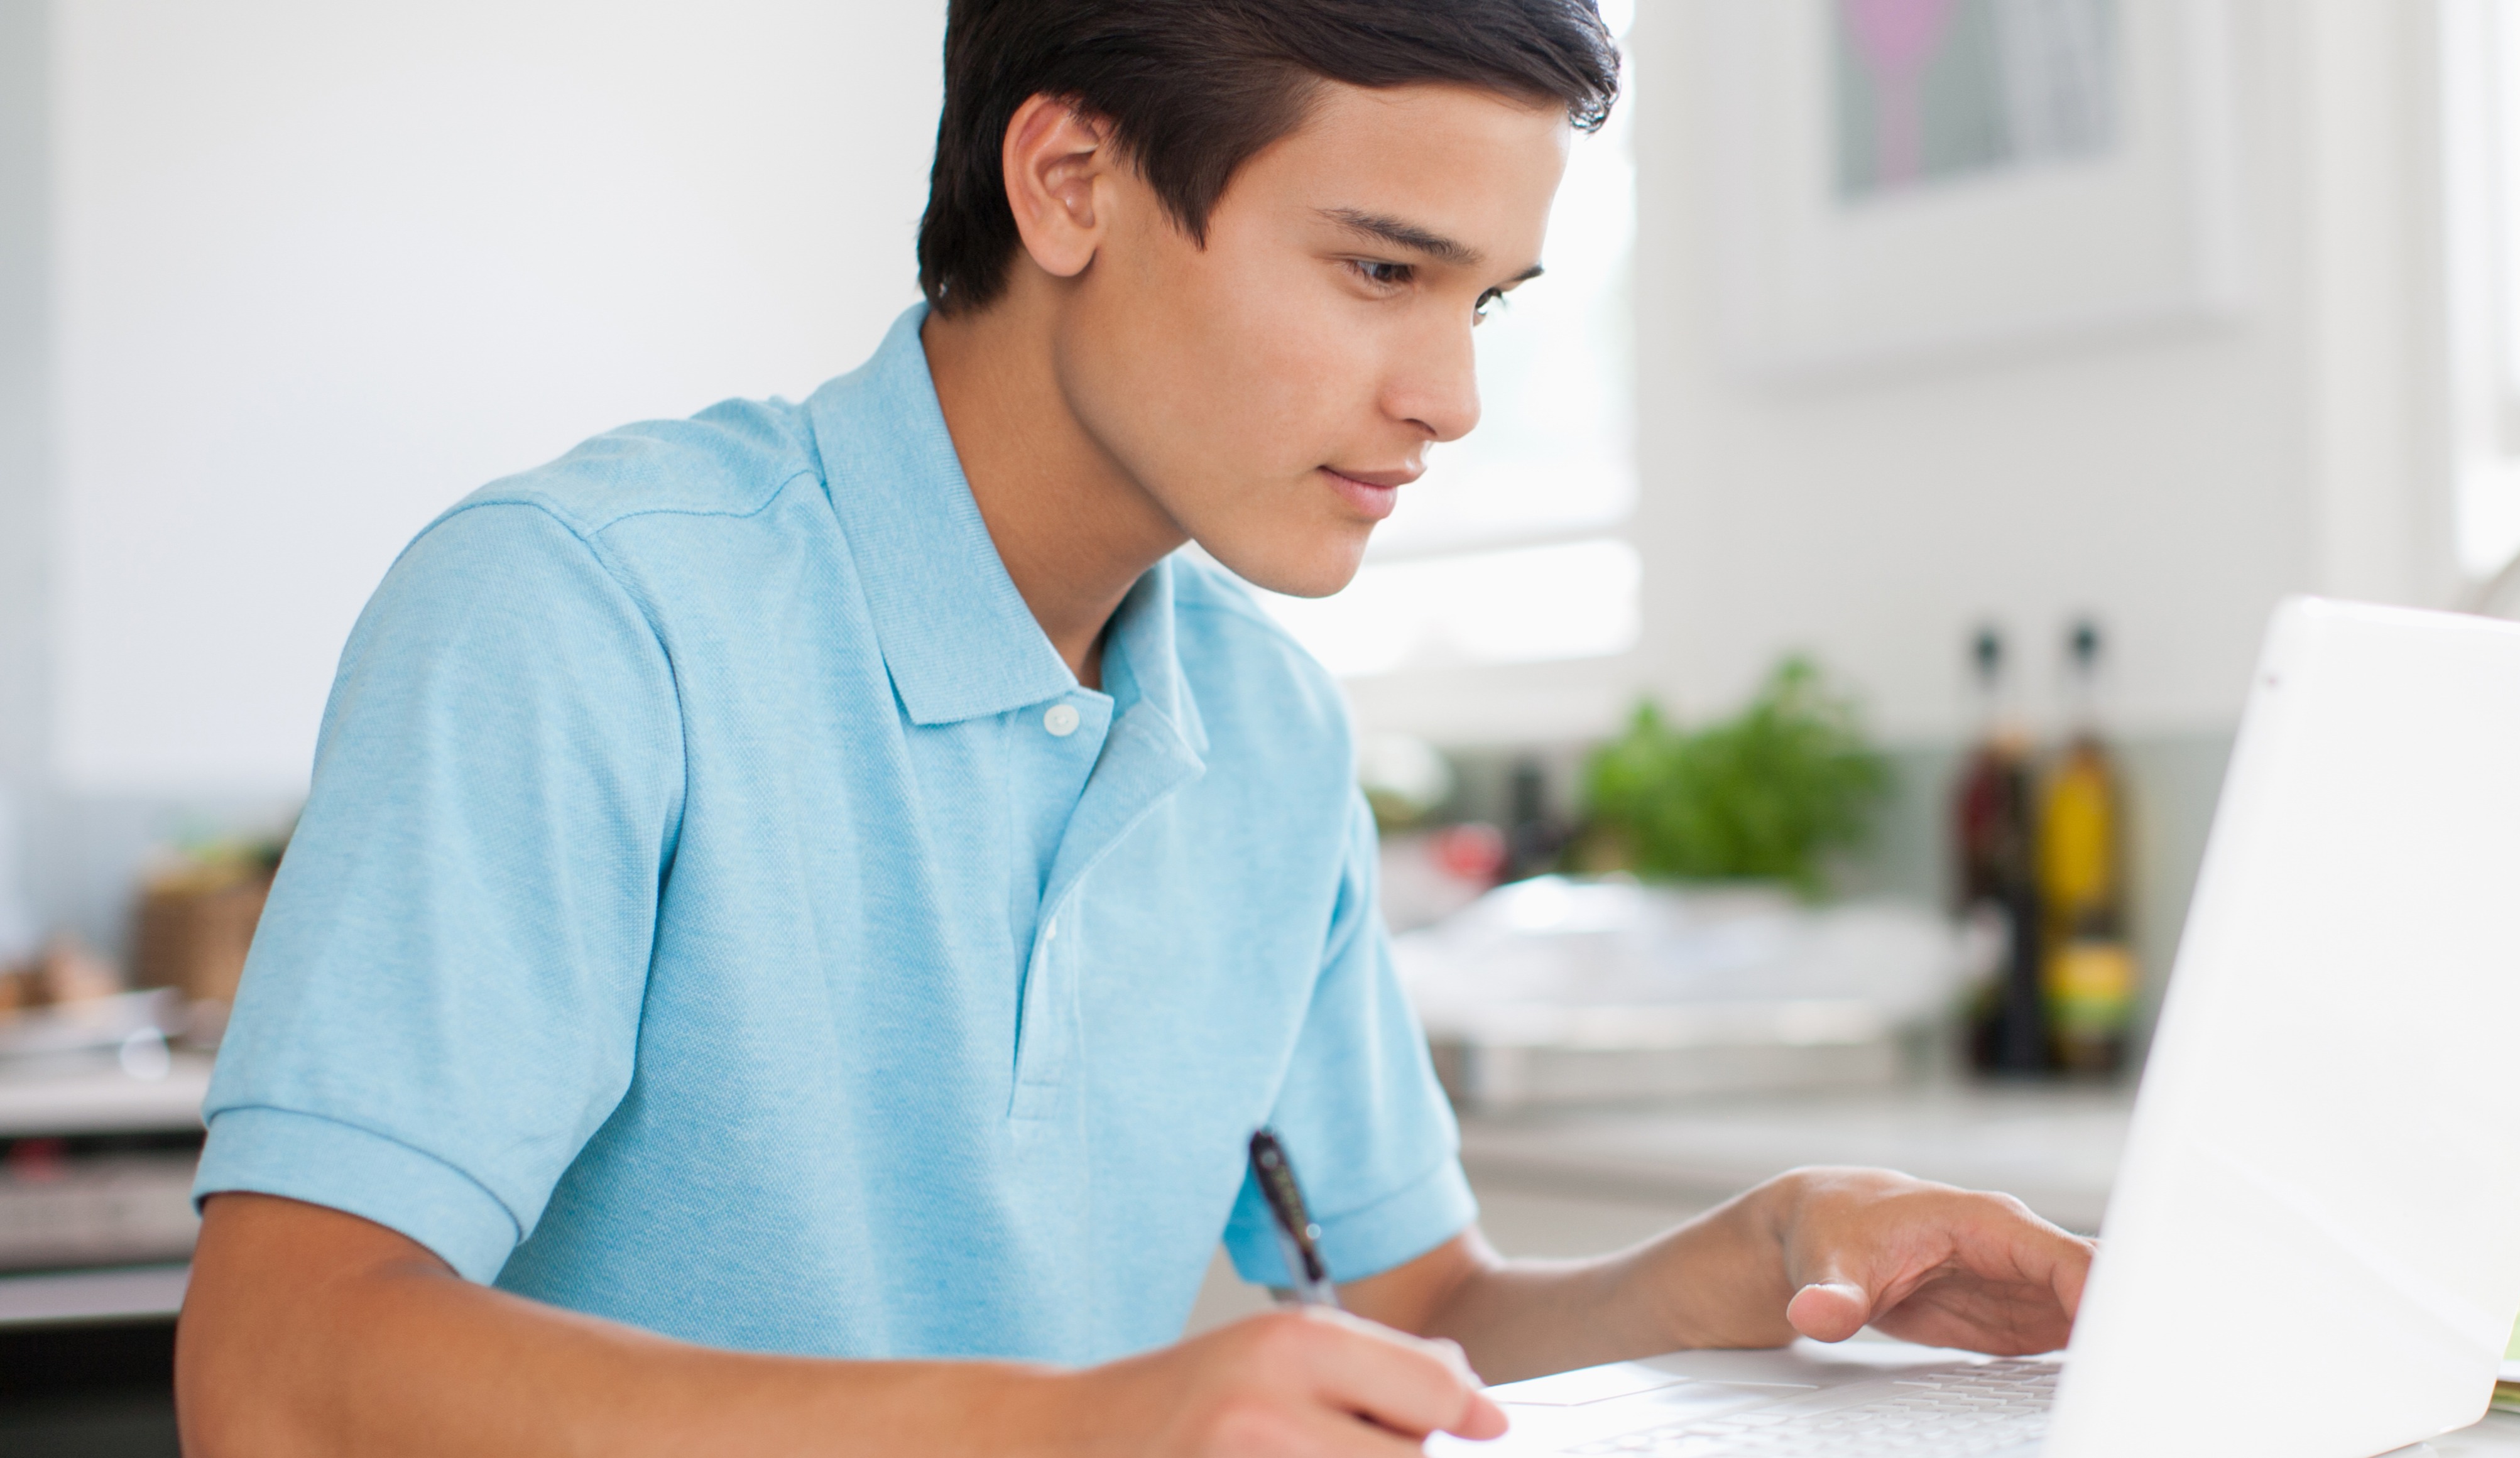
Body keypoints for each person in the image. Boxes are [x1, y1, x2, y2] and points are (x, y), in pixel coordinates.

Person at [175, 3, 2096, 1453]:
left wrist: (1761, 1266)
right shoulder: (580, 609)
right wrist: (1070, 1430)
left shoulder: (1259, 732)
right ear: (1070, 183)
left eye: (1488, 304)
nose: (1446, 395)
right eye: (1377, 268)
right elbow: (274, 1368)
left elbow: (1407, 1302)